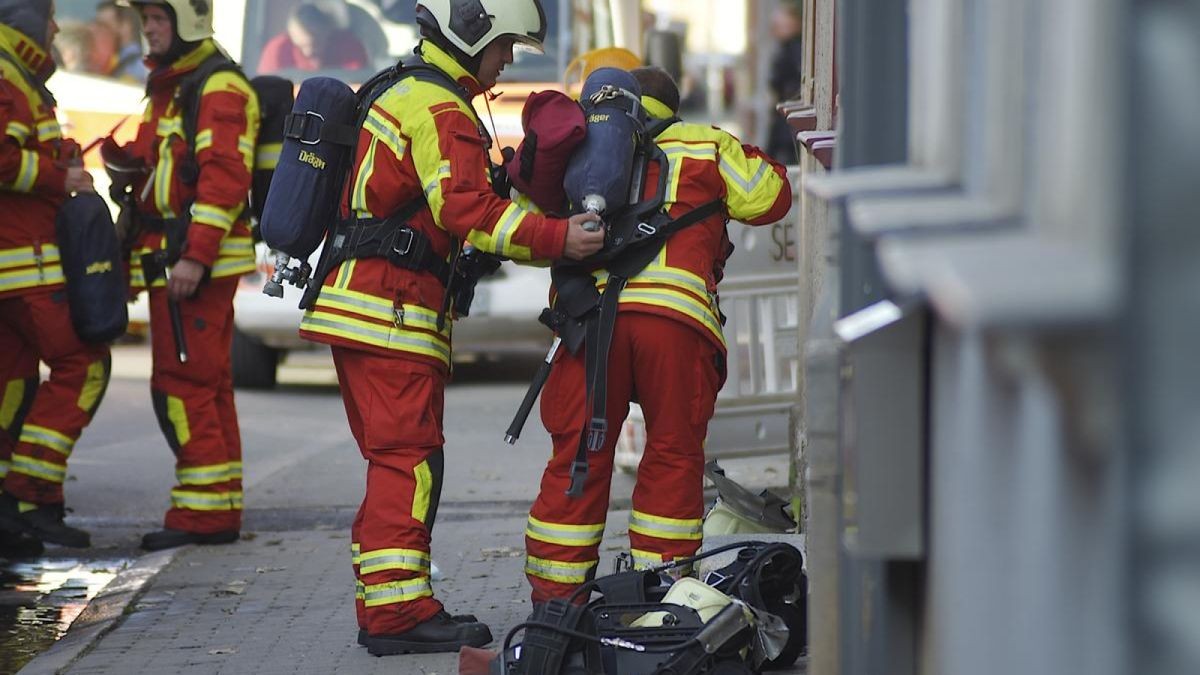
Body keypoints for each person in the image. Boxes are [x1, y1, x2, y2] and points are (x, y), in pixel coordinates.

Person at [295, 0, 604, 655]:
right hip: (392, 312)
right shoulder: (440, 109)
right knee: (408, 463)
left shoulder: (403, 87)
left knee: (395, 462)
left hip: (361, 307)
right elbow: (468, 211)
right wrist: (559, 238)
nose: (509, 61)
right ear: (474, 32)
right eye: (506, 46)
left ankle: (391, 602)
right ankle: (397, 614)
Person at [523, 66, 793, 603]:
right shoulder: (705, 143)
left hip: (587, 322)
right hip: (675, 322)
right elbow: (771, 199)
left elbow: (533, 218)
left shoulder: (580, 146)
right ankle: (661, 591)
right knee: (672, 453)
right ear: (674, 105)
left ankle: (555, 604)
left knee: (579, 455)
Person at [102, 0, 258, 551]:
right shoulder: (175, 85)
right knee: (206, 384)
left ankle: (203, 515)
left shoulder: (216, 87)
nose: (147, 29)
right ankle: (217, 506)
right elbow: (166, 164)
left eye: (158, 19)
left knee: (183, 385)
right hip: (176, 258)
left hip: (195, 266)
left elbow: (223, 179)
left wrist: (195, 256)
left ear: (190, 20)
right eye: (144, 19)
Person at [0, 0, 111, 555]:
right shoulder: (7, 75)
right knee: (85, 365)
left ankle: (9, 511)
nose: (58, 30)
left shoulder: (19, 76)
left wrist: (63, 156)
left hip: (19, 269)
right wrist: (59, 175)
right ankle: (31, 495)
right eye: (49, 22)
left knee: (13, 385)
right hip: (25, 266)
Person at [256, 2, 369, 73]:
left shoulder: (348, 46)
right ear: (291, 36)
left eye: (315, 44)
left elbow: (360, 86)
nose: (308, 52)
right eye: (301, 46)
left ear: (327, 32)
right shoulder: (278, 50)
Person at [767, 2, 804, 163]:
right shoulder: (786, 48)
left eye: (780, 24)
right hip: (784, 123)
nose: (775, 29)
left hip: (788, 125)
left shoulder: (795, 49)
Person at [95, 1, 148, 82]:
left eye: (106, 25)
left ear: (125, 26)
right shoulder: (109, 59)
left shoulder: (140, 65)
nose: (101, 31)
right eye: (99, 25)